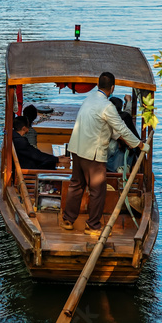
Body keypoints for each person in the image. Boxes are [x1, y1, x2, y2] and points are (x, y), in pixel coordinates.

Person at [62, 72, 143, 238]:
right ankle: (93, 226)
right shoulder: (107, 107)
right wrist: (139, 144)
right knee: (97, 191)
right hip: (93, 154)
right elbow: (121, 129)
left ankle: (68, 220)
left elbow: (108, 130)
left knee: (76, 185)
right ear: (112, 88)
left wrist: (119, 137)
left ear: (98, 85)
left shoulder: (89, 99)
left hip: (77, 150)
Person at [107, 96, 139, 173]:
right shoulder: (125, 117)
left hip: (111, 168)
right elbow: (128, 111)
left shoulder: (113, 144)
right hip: (124, 165)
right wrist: (128, 101)